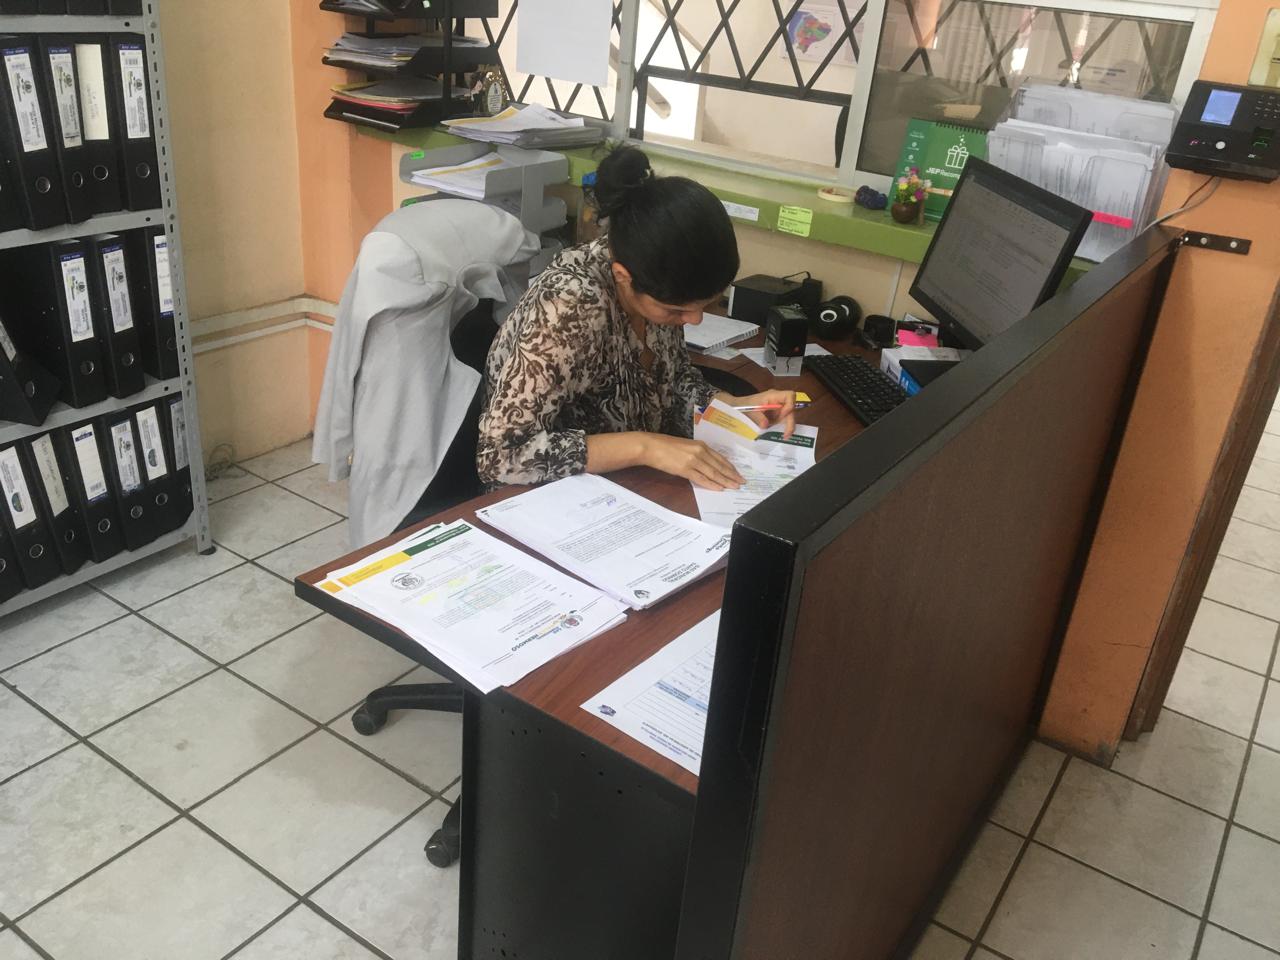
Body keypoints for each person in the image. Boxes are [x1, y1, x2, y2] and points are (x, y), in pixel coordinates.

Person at [477, 145, 795, 491]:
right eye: (677, 310)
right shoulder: (569, 309)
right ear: (623, 277)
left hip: (631, 483)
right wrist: (646, 447)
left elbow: (673, 383)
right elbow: (500, 457)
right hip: (553, 498)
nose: (695, 320)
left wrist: (729, 407)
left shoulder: (656, 271)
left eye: (708, 304)